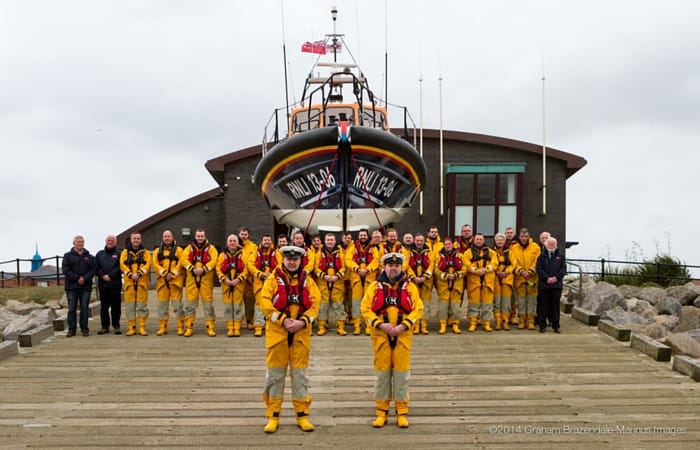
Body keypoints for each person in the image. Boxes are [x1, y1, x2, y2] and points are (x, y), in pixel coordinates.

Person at [260, 245, 320, 433]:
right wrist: (284, 321)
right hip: (278, 335)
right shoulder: (272, 280)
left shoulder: (309, 282)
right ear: (283, 260)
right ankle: (273, 416)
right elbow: (265, 303)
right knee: (274, 377)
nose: (292, 262)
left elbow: (315, 304)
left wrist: (302, 322)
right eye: (289, 259)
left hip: (301, 336)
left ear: (300, 261)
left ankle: (302, 415)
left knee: (300, 378)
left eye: (295, 259)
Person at [361, 252, 423, 428]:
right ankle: (381, 412)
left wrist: (403, 326)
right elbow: (365, 309)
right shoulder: (374, 287)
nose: (393, 268)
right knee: (382, 375)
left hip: (402, 336)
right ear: (384, 267)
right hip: (381, 337)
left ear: (401, 267)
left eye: (396, 265)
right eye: (390, 265)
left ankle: (401, 412)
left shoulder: (410, 287)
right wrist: (380, 324)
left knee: (402, 375)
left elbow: (418, 308)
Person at [180, 228, 219, 337]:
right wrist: (192, 268)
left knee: (208, 305)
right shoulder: (189, 248)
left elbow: (214, 260)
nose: (200, 238)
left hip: (206, 280)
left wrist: (204, 269)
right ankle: (189, 327)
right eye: (198, 236)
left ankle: (210, 327)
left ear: (205, 236)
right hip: (192, 280)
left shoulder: (212, 249)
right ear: (195, 236)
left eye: (202, 236)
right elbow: (183, 260)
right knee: (190, 305)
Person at [62, 235, 96, 337]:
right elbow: (66, 270)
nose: (80, 243)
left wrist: (84, 279)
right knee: (72, 308)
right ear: (74, 243)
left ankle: (84, 329)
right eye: (78, 242)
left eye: (81, 242)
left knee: (84, 308)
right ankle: (71, 329)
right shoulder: (67, 256)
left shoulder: (90, 257)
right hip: (71, 286)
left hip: (85, 287)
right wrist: (77, 278)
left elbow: (93, 270)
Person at [463, 233, 498, 332]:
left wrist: (485, 270)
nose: (479, 241)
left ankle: (486, 323)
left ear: (484, 240)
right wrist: (475, 270)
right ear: (474, 240)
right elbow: (466, 263)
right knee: (474, 304)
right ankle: (473, 323)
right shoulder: (468, 253)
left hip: (488, 282)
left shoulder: (491, 252)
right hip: (474, 282)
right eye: (477, 239)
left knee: (487, 304)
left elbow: (494, 264)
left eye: (481, 239)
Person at [152, 230, 184, 336]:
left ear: (172, 237)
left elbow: (181, 263)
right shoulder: (157, 251)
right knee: (162, 306)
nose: (166, 238)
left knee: (177, 306)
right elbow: (155, 264)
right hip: (162, 283)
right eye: (165, 236)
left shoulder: (179, 250)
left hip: (175, 283)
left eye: (168, 236)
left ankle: (180, 326)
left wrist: (173, 274)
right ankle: (162, 327)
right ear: (162, 238)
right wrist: (164, 273)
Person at [345, 229, 376, 335]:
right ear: (358, 236)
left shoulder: (373, 247)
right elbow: (348, 260)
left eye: (364, 235)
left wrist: (367, 269)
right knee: (356, 303)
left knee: (369, 303)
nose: (363, 237)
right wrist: (357, 269)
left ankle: (368, 325)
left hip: (369, 277)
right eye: (361, 235)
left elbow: (376, 260)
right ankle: (357, 325)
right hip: (356, 278)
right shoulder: (353, 247)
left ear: (367, 236)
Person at [120, 232, 151, 336]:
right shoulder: (125, 252)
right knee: (130, 307)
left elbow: (148, 265)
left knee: (142, 306)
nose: (136, 240)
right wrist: (130, 274)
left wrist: (138, 274)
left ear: (140, 240)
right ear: (131, 239)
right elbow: (122, 265)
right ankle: (132, 328)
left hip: (141, 283)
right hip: (129, 284)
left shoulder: (145, 252)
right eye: (134, 238)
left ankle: (142, 327)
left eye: (138, 238)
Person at [314, 233, 347, 335]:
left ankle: (340, 326)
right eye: (328, 240)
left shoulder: (340, 251)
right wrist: (324, 276)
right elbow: (316, 268)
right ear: (324, 241)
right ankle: (322, 326)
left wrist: (337, 275)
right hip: (323, 282)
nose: (330, 241)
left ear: (335, 240)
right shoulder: (319, 252)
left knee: (338, 305)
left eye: (331, 240)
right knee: (323, 305)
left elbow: (343, 267)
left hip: (337, 282)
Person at [217, 234, 248, 337]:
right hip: (226, 285)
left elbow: (246, 269)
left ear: (237, 243)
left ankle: (237, 326)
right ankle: (230, 326)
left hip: (238, 284)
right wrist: (224, 279)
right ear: (227, 243)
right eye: (230, 241)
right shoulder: (222, 255)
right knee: (228, 307)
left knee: (238, 306)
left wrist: (238, 279)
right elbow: (218, 268)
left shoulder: (243, 254)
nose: (232, 243)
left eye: (234, 241)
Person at [510, 228, 541, 330]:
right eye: (522, 236)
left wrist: (531, 271)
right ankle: (522, 320)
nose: (524, 238)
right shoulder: (514, 248)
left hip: (532, 279)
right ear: (519, 237)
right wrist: (521, 271)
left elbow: (537, 261)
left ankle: (531, 321)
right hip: (520, 279)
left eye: (526, 236)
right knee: (521, 301)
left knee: (531, 300)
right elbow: (513, 261)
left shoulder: (535, 247)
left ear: (529, 236)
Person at [434, 237, 466, 334]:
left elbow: (464, 268)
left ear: (453, 245)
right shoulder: (438, 256)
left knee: (455, 306)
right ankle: (443, 325)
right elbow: (436, 270)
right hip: (443, 284)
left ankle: (455, 324)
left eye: (449, 244)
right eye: (446, 244)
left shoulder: (460, 256)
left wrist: (456, 275)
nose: (447, 246)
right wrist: (446, 276)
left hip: (457, 284)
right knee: (443, 306)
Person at [248, 234, 278, 337]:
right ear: (262, 241)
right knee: (259, 304)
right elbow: (250, 265)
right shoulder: (255, 252)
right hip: (259, 282)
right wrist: (260, 274)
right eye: (265, 240)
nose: (267, 242)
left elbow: (280, 264)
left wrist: (271, 275)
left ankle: (271, 325)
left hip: (272, 282)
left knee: (273, 304)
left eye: (268, 240)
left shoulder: (276, 252)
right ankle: (259, 326)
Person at [536, 237, 566, 333]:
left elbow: (563, 269)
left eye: (553, 244)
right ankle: (542, 325)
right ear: (545, 245)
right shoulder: (541, 257)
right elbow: (539, 269)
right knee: (543, 306)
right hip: (544, 286)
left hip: (556, 286)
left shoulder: (561, 257)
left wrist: (556, 278)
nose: (551, 245)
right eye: (549, 244)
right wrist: (547, 278)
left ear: (556, 245)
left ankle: (556, 325)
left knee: (555, 306)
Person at [406, 233, 434, 334]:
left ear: (424, 241)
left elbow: (431, 265)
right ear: (414, 241)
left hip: (426, 281)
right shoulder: (408, 252)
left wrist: (424, 277)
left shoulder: (429, 252)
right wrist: (414, 277)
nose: (419, 242)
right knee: (414, 304)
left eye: (421, 241)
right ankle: (416, 325)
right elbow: (406, 266)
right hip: (413, 282)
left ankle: (424, 326)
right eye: (417, 241)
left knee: (425, 304)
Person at [95, 234, 122, 335]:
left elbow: (120, 267)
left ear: (115, 242)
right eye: (108, 240)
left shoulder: (119, 253)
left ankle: (116, 325)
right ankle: (104, 326)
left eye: (112, 241)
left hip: (115, 284)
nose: (110, 242)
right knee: (104, 307)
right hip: (103, 284)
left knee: (116, 306)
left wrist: (110, 275)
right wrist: (103, 275)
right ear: (105, 241)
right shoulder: (99, 254)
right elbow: (96, 267)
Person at [492, 233, 514, 331]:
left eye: (502, 240)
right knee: (497, 302)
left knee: (506, 303)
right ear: (495, 241)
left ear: (505, 241)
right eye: (498, 240)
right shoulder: (491, 252)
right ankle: (498, 321)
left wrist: (506, 272)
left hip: (507, 279)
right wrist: (496, 271)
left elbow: (513, 264)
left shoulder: (510, 252)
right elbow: (490, 263)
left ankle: (505, 321)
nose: (500, 241)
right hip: (495, 279)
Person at [239, 228, 258, 330]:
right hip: (237, 278)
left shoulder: (253, 247)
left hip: (249, 279)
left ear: (248, 235)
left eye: (245, 234)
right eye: (242, 234)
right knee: (236, 302)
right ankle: (236, 321)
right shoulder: (234, 245)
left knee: (249, 301)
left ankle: (249, 320)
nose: (243, 236)